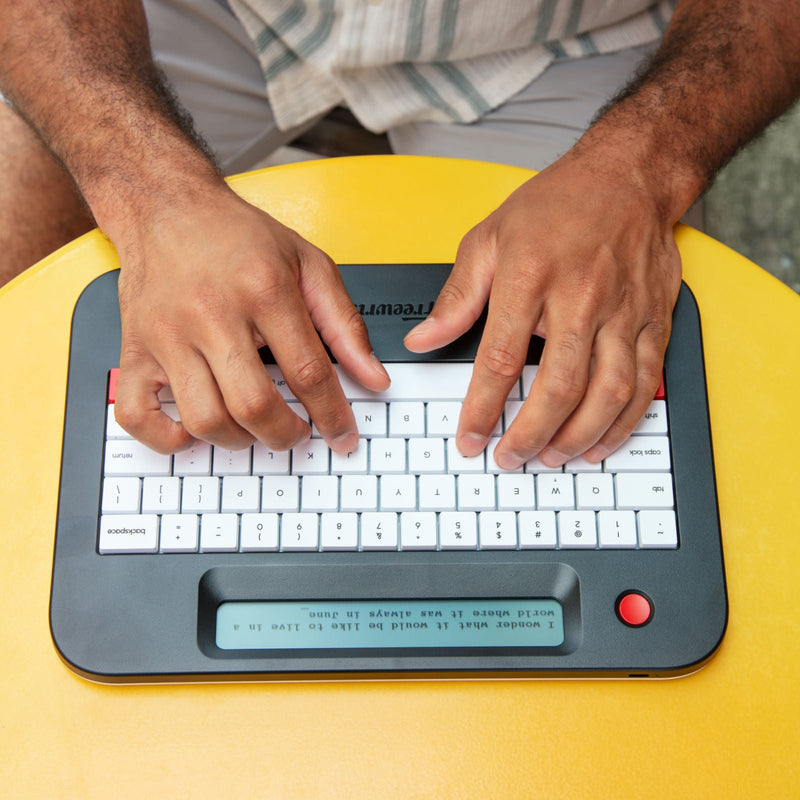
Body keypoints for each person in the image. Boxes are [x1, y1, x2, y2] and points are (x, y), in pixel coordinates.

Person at [1, 1, 798, 471]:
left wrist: (639, 173)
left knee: (592, 390)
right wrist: (150, 197)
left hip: (556, 40)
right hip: (200, 16)